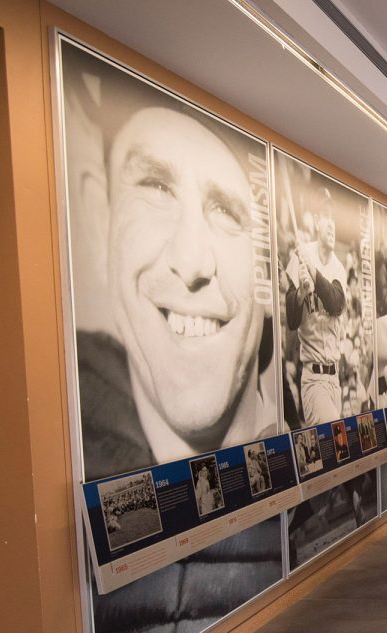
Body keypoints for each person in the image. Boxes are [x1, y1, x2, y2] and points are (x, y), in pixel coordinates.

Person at [76, 106, 277, 481]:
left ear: (270, 276)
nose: (191, 262)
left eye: (228, 212)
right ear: (98, 225)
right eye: (157, 189)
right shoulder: (71, 431)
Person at [284, 188, 347, 426]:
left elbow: (335, 303)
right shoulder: (300, 257)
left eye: (334, 220)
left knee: (331, 456)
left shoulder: (337, 267)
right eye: (326, 218)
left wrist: (314, 274)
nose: (331, 225)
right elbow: (291, 320)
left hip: (335, 379)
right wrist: (301, 290)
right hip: (313, 377)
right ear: (317, 222)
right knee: (335, 437)